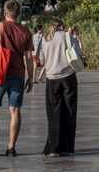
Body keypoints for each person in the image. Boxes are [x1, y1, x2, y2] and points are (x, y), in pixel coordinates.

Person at [0, 0, 36, 158]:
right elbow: (28, 57)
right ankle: (11, 147)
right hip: (18, 74)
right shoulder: (26, 32)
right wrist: (31, 77)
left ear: (4, 13)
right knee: (15, 110)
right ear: (19, 13)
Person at [36, 19, 80, 157]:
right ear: (61, 26)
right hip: (68, 77)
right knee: (69, 112)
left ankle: (53, 148)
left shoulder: (45, 39)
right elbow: (77, 53)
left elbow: (41, 61)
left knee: (53, 113)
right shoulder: (68, 36)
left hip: (52, 78)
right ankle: (67, 147)